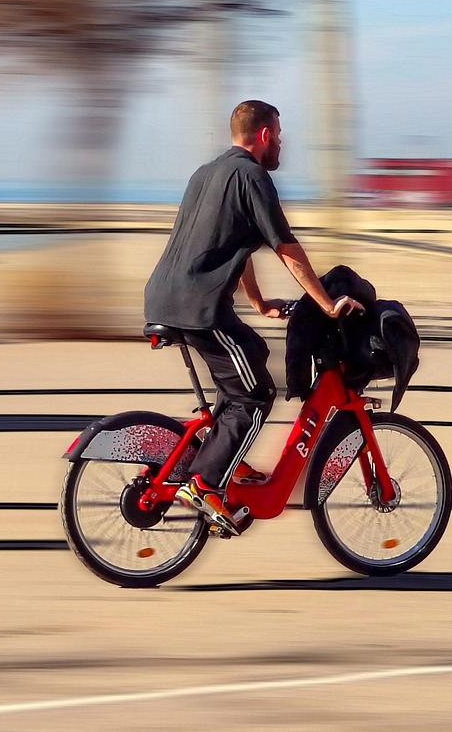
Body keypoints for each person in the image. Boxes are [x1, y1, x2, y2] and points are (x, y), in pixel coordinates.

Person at [143, 100, 362, 532]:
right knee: (256, 394)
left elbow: (235, 245)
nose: (280, 143)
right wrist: (325, 304)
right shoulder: (252, 175)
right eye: (278, 135)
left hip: (165, 297)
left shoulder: (206, 174)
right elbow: (285, 247)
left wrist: (259, 304)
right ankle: (205, 483)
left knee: (252, 351)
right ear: (263, 135)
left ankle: (229, 457)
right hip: (198, 307)